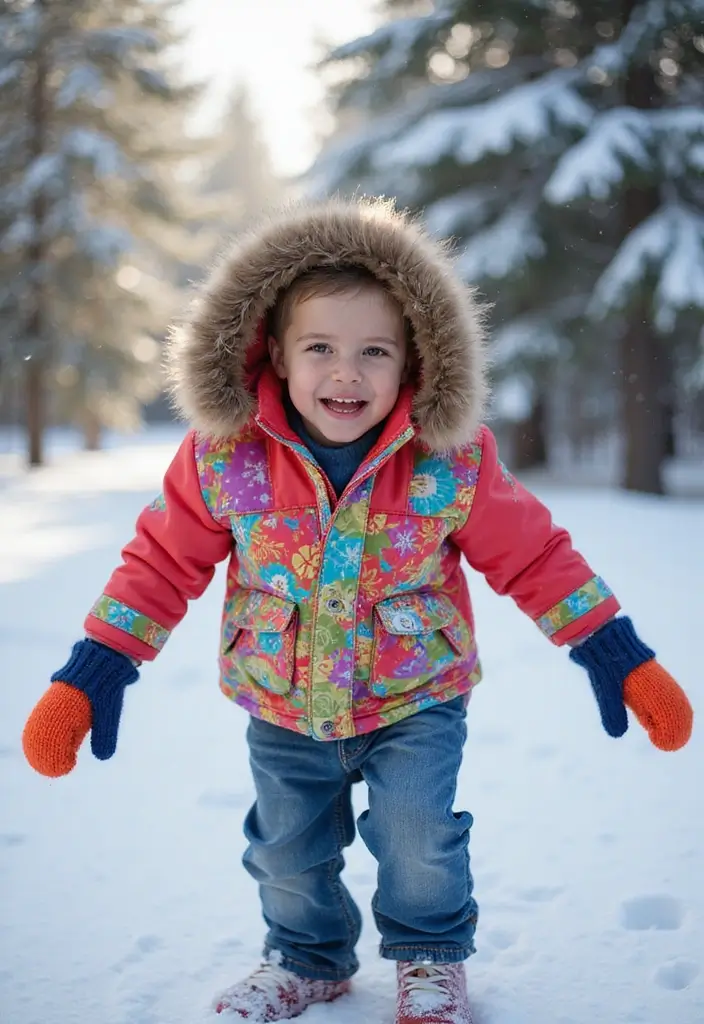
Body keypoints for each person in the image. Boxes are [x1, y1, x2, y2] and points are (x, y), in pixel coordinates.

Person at [22, 199, 693, 1024]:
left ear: (415, 358)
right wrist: (96, 665)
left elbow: (535, 554)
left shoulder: (449, 460)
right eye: (321, 349)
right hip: (280, 701)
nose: (348, 373)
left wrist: (611, 649)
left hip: (416, 698)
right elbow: (161, 561)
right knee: (285, 851)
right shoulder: (226, 459)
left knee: (419, 840)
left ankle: (431, 958)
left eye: (374, 351)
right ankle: (306, 960)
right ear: (273, 353)